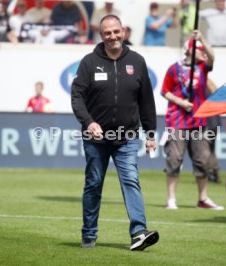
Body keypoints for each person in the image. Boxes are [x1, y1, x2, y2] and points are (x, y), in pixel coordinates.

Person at [71, 14, 159, 251]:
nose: (113, 36)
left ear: (123, 31)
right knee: (94, 183)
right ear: (101, 36)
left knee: (131, 180)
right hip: (95, 138)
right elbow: (77, 97)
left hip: (128, 137)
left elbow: (147, 101)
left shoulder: (138, 61)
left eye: (116, 31)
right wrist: (89, 122)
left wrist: (151, 134)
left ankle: (139, 232)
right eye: (107, 33)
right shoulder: (89, 62)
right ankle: (89, 233)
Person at [161, 30, 224, 211]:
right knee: (174, 159)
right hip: (177, 120)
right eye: (199, 50)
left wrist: (201, 38)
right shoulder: (174, 68)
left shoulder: (203, 67)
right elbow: (165, 91)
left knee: (203, 160)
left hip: (199, 122)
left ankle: (203, 198)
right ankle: (171, 199)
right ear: (190, 51)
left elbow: (213, 57)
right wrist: (180, 102)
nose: (204, 53)